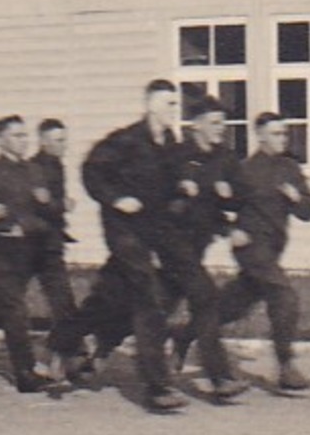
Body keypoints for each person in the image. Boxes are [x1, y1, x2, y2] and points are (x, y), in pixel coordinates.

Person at [75, 80, 247, 411]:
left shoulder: (171, 143)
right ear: (151, 105)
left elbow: (184, 186)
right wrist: (116, 199)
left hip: (168, 235)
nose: (174, 110)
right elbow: (91, 170)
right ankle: (156, 387)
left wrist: (188, 187)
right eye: (169, 104)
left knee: (199, 294)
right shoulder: (128, 139)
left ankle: (220, 378)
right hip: (131, 232)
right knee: (148, 303)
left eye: (176, 105)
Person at [177, 112, 310, 391]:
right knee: (284, 295)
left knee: (232, 307)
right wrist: (230, 229)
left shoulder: (290, 169)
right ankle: (286, 367)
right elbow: (219, 207)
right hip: (251, 247)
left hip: (272, 249)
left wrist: (297, 198)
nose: (282, 139)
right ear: (261, 136)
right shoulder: (245, 170)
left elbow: (309, 211)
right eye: (276, 134)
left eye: (285, 134)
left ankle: (183, 335)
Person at [0, 117, 84, 373]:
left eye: (24, 135)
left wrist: (60, 205)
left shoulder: (35, 171)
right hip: (5, 249)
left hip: (40, 247)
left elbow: (44, 206)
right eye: (16, 136)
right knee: (6, 306)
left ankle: (67, 354)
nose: (23, 141)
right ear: (1, 139)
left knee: (60, 296)